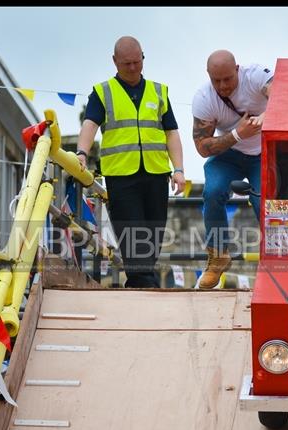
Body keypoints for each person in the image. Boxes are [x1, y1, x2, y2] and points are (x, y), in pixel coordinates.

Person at [76, 36, 185, 288]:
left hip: (157, 173)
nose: (134, 68)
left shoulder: (159, 92)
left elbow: (172, 133)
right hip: (122, 175)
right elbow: (90, 124)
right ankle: (146, 284)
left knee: (153, 233)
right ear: (115, 61)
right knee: (132, 231)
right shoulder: (103, 92)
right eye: (127, 64)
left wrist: (178, 169)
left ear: (143, 57)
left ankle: (139, 283)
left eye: (137, 62)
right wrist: (81, 152)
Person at [192, 50, 272, 288]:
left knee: (264, 202)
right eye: (216, 80)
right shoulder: (204, 98)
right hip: (229, 155)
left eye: (227, 79)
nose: (223, 85)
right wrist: (239, 134)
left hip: (265, 153)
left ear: (237, 69)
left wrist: (269, 113)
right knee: (213, 191)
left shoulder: (256, 76)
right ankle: (217, 256)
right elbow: (203, 147)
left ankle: (275, 261)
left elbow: (284, 93)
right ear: (208, 76)